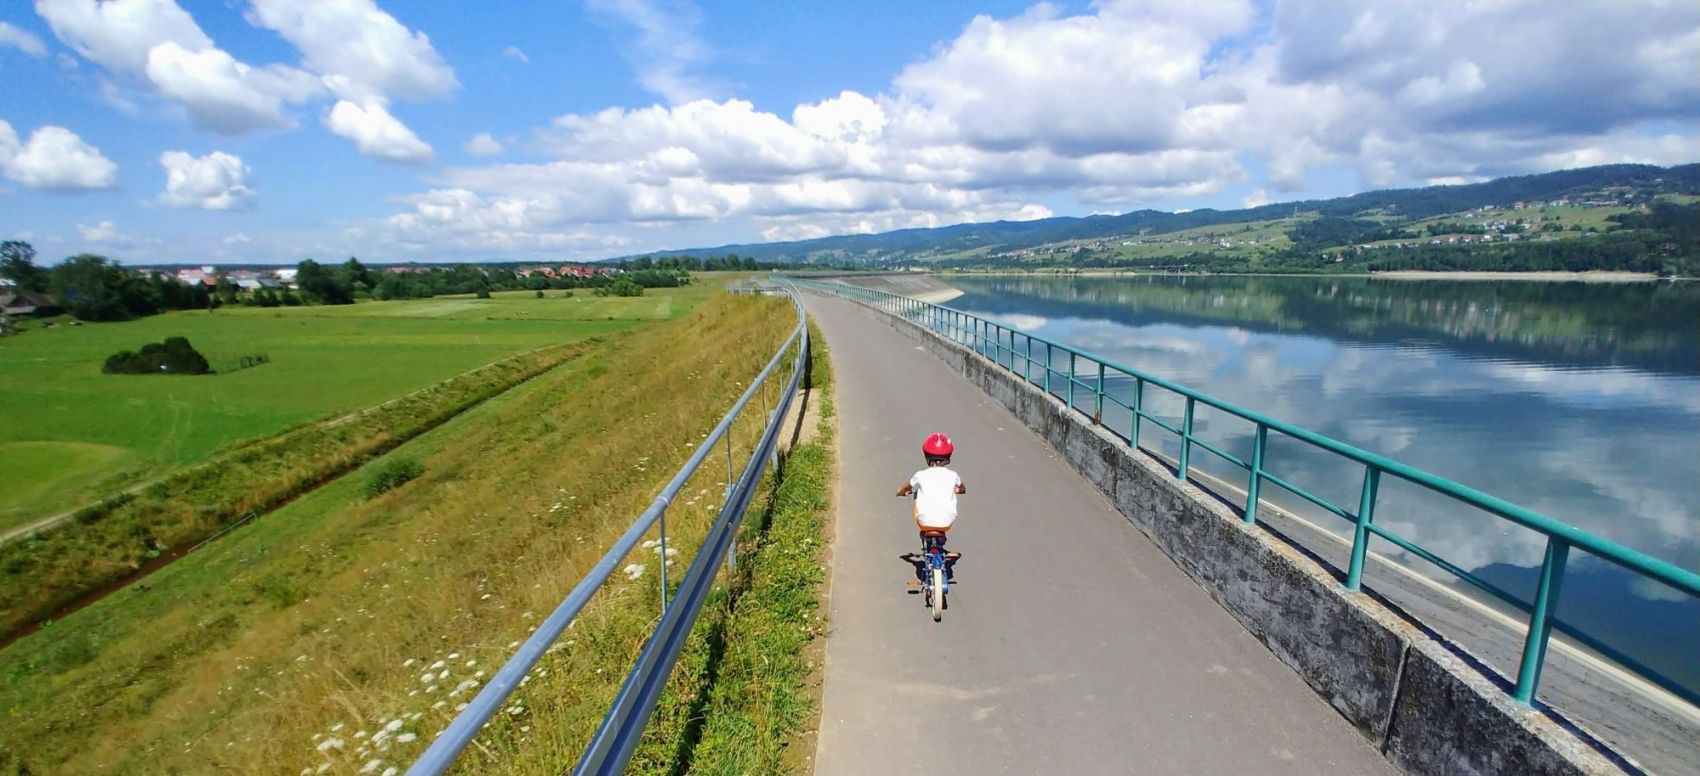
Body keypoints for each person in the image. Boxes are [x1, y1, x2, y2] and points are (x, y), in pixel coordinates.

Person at [897, 432, 965, 580]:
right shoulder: (953, 476)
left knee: (917, 501)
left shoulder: (920, 475)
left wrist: (901, 492)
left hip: (925, 522)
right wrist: (956, 489)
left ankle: (926, 536)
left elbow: (906, 487)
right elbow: (962, 489)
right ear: (948, 458)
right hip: (947, 522)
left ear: (926, 457)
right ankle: (940, 541)